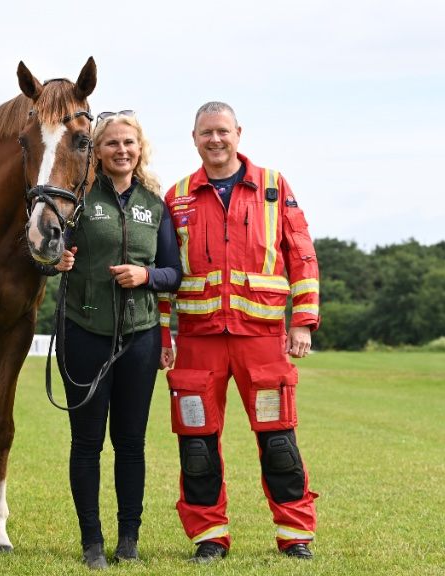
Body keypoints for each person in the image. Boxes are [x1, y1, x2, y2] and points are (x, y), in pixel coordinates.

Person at [159, 101, 320, 563]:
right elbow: (167, 273)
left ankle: (295, 535)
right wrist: (165, 336)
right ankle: (209, 535)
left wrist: (304, 321)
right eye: (206, 133)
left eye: (223, 131)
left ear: (238, 133)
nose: (215, 140)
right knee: (197, 445)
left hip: (262, 339)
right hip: (197, 341)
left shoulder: (273, 186)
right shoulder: (178, 196)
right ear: (194, 138)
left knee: (278, 441)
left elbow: (302, 256)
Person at [53, 111, 181, 569]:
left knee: (130, 444)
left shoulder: (154, 203)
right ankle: (92, 543)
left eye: (129, 143)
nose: (121, 150)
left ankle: (129, 539)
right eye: (111, 144)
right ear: (98, 152)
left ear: (139, 148)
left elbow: (174, 274)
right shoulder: (79, 197)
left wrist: (146, 274)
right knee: (86, 444)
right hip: (84, 333)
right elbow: (46, 250)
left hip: (140, 338)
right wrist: (58, 260)